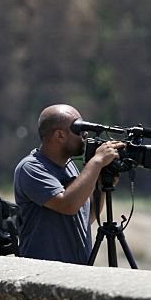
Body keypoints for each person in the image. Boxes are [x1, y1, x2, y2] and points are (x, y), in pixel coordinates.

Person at [13, 104, 124, 264]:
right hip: (43, 273)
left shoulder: (70, 166)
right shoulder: (30, 168)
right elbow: (67, 205)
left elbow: (86, 217)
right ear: (59, 135)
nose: (85, 136)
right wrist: (97, 161)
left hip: (74, 270)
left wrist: (102, 187)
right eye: (79, 130)